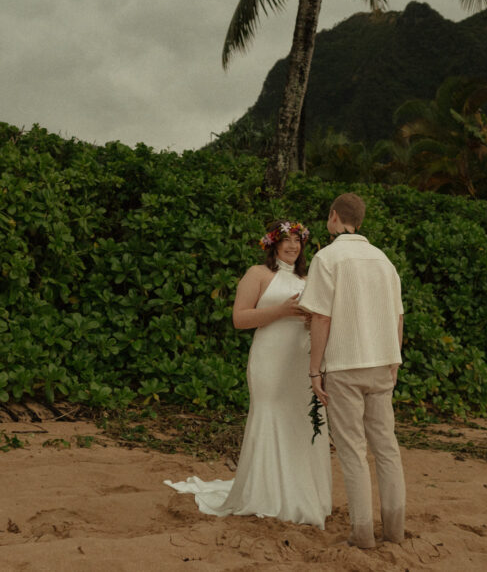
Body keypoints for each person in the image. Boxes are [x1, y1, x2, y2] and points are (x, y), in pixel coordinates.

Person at [164, 220, 332, 528]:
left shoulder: (309, 278)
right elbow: (239, 318)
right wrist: (281, 311)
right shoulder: (258, 274)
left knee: (300, 420)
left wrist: (310, 321)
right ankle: (265, 493)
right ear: (273, 244)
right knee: (269, 414)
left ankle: (301, 491)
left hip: (300, 359)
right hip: (270, 357)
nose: (293, 246)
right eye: (287, 240)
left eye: (298, 240)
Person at [298, 193, 405, 549]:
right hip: (382, 364)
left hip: (345, 365)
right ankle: (394, 530)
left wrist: (315, 370)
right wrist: (394, 361)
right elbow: (398, 317)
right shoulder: (383, 260)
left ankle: (362, 534)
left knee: (353, 451)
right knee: (386, 448)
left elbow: (321, 318)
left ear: (334, 217)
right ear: (358, 222)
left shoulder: (327, 258)